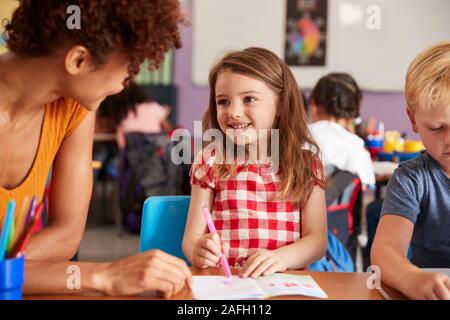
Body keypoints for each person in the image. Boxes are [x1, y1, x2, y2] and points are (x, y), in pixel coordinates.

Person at [0, 0, 191, 297]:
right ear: (79, 61)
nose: (126, 83)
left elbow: (65, 238)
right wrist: (103, 275)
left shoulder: (76, 107)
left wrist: (8, 269)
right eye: (129, 66)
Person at [182, 47, 328, 278]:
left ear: (280, 105)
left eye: (249, 99)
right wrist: (197, 250)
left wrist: (282, 258)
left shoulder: (306, 164)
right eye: (223, 101)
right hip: (226, 284)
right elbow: (191, 238)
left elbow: (317, 240)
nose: (234, 112)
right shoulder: (210, 160)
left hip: (283, 285)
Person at [371, 41, 450, 300]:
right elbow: (385, 251)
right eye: (437, 128)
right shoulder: (412, 179)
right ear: (413, 120)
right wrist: (411, 278)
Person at [308, 73, 375, 186]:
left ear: (313, 106)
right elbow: (367, 183)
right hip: (343, 204)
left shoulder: (298, 136)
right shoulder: (355, 146)